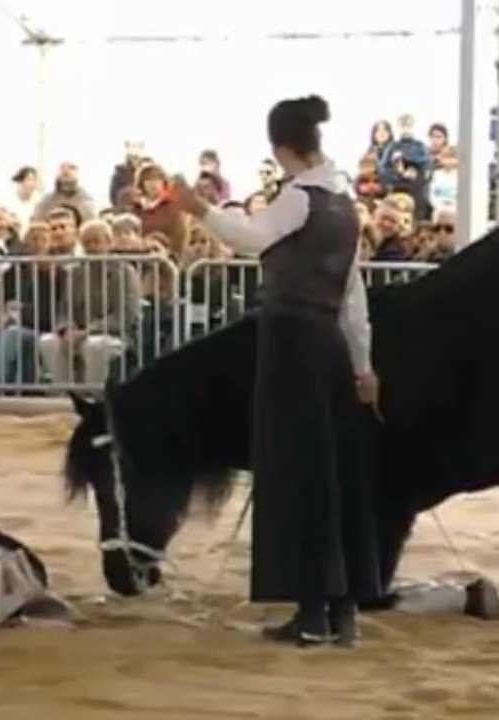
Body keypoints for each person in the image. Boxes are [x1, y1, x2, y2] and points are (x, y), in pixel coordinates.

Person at [172, 94, 383, 647]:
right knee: (333, 475)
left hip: (291, 347)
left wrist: (198, 208)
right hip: (330, 347)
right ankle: (342, 613)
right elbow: (353, 296)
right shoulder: (345, 205)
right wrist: (364, 365)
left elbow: (251, 238)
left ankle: (310, 614)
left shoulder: (299, 198)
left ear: (280, 147)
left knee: (296, 475)